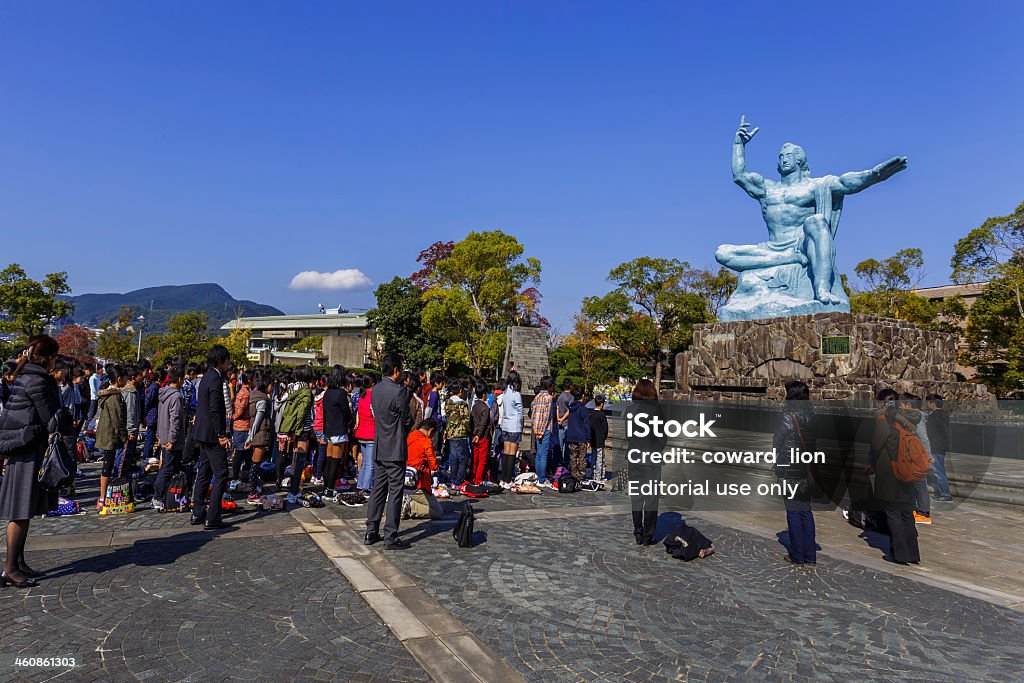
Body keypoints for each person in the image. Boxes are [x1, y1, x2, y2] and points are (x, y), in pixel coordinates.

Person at [0, 335, 70, 587]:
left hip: (22, 448)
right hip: (28, 451)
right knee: (19, 511)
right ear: (49, 358)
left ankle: (18, 562)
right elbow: (50, 421)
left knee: (24, 510)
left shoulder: (25, 377)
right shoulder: (38, 382)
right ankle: (9, 568)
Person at [364, 353, 414, 550]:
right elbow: (407, 419)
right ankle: (390, 535)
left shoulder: (375, 390)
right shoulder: (399, 392)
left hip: (379, 445)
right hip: (394, 448)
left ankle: (371, 530)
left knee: (378, 489)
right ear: (396, 370)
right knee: (394, 492)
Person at [869, 388, 921, 565]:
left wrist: (871, 462)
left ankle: (899, 554)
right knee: (906, 512)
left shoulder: (884, 420)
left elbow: (876, 445)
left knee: (893, 513)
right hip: (907, 469)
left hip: (891, 471)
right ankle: (913, 553)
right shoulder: (906, 420)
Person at [773, 380, 817, 565]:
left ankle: (797, 555)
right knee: (806, 511)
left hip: (789, 469)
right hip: (805, 468)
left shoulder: (787, 415)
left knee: (793, 511)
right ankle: (810, 555)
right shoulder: (812, 415)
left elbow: (778, 440)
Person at [190, 345, 232, 530]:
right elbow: (215, 409)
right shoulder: (215, 378)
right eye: (227, 360)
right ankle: (213, 516)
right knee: (222, 474)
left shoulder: (207, 376)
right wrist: (221, 435)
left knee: (205, 471)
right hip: (212, 434)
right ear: (221, 361)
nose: (228, 364)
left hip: (202, 431)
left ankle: (197, 511)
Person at [628, 379, 663, 546]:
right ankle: (648, 535)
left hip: (635, 458)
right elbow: (663, 436)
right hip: (651, 459)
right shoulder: (656, 410)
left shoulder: (630, 410)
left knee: (637, 497)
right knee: (651, 498)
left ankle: (638, 531)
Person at [279, 365, 315, 504]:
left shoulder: (292, 387)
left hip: (292, 427)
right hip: (303, 428)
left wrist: (291, 429)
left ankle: (292, 488)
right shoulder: (305, 391)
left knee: (294, 458)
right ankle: (294, 491)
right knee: (300, 459)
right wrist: (298, 429)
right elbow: (302, 412)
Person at [96, 365, 129, 510]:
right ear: (119, 379)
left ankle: (103, 497)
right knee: (107, 466)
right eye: (125, 378)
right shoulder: (115, 397)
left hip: (106, 434)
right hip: (111, 435)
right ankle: (103, 498)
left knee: (107, 465)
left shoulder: (109, 394)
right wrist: (124, 436)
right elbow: (117, 420)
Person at [153, 367, 185, 510]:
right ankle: (158, 496)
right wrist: (172, 439)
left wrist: (160, 436)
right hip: (172, 439)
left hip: (163, 435)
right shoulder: (176, 396)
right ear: (178, 379)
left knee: (166, 467)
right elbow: (175, 419)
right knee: (168, 468)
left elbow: (161, 416)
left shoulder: (163, 394)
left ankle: (164, 494)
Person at [322, 365, 353, 498]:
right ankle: (330, 487)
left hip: (328, 428)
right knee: (336, 460)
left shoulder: (327, 392)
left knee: (328, 459)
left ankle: (325, 486)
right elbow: (346, 412)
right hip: (339, 428)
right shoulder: (341, 393)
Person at [244, 371, 273, 503]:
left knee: (254, 464)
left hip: (257, 433)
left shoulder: (254, 396)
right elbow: (257, 420)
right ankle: (252, 493)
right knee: (255, 464)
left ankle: (253, 491)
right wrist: (250, 437)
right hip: (260, 433)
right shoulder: (262, 400)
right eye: (271, 385)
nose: (272, 387)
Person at [406, 418, 443, 519]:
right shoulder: (426, 441)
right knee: (437, 511)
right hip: (418, 485)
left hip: (402, 481)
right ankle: (410, 507)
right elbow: (434, 466)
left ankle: (406, 502)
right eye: (433, 434)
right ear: (431, 431)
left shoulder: (409, 436)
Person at [924, 394, 953, 503]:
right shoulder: (944, 415)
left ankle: (945, 494)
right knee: (939, 470)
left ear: (933, 404)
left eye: (928, 402)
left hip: (935, 446)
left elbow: (929, 433)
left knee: (939, 471)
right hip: (942, 445)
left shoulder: (934, 416)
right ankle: (941, 493)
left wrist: (926, 445)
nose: (926, 405)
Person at [498, 371, 523, 487]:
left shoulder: (505, 392)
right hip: (514, 425)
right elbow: (520, 411)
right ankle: (508, 479)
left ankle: (503, 478)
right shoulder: (516, 394)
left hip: (506, 425)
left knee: (506, 452)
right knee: (512, 454)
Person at [444, 380, 471, 487]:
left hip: (451, 434)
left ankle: (453, 479)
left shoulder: (448, 403)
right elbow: (466, 420)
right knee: (463, 459)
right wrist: (469, 431)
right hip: (461, 434)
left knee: (453, 458)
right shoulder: (462, 404)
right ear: (460, 391)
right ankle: (459, 480)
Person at [354, 374, 377, 493]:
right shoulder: (373, 396)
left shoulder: (361, 395)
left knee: (364, 463)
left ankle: (360, 484)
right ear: (373, 384)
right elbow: (375, 414)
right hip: (370, 433)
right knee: (370, 464)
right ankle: (366, 487)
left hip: (361, 432)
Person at [530, 377, 555, 487]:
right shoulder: (548, 397)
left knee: (539, 454)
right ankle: (542, 479)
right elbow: (547, 416)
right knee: (543, 454)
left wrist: (536, 430)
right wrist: (542, 431)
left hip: (536, 429)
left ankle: (538, 476)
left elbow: (533, 415)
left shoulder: (537, 397)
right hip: (545, 429)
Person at [229, 371, 251, 490]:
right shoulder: (246, 393)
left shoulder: (239, 391)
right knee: (241, 452)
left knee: (238, 452)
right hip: (243, 426)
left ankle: (235, 478)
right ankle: (236, 478)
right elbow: (241, 410)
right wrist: (233, 417)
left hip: (237, 426)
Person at [565, 386, 591, 481]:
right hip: (581, 436)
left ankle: (573, 474)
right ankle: (580, 476)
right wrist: (589, 439)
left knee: (573, 456)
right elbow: (586, 425)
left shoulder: (571, 407)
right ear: (582, 396)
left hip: (572, 435)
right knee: (582, 457)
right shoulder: (583, 409)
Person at [469, 382, 491, 485]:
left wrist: (473, 434)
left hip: (474, 434)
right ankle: (478, 479)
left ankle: (472, 476)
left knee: (475, 457)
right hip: (483, 435)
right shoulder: (485, 408)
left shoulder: (474, 406)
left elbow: (471, 420)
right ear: (484, 395)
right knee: (482, 459)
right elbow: (484, 423)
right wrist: (479, 434)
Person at [589, 393, 609, 482]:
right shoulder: (602, 415)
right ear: (602, 404)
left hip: (593, 439)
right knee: (600, 459)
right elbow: (605, 429)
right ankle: (599, 475)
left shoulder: (591, 414)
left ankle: (592, 473)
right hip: (600, 440)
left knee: (593, 457)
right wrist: (604, 437)